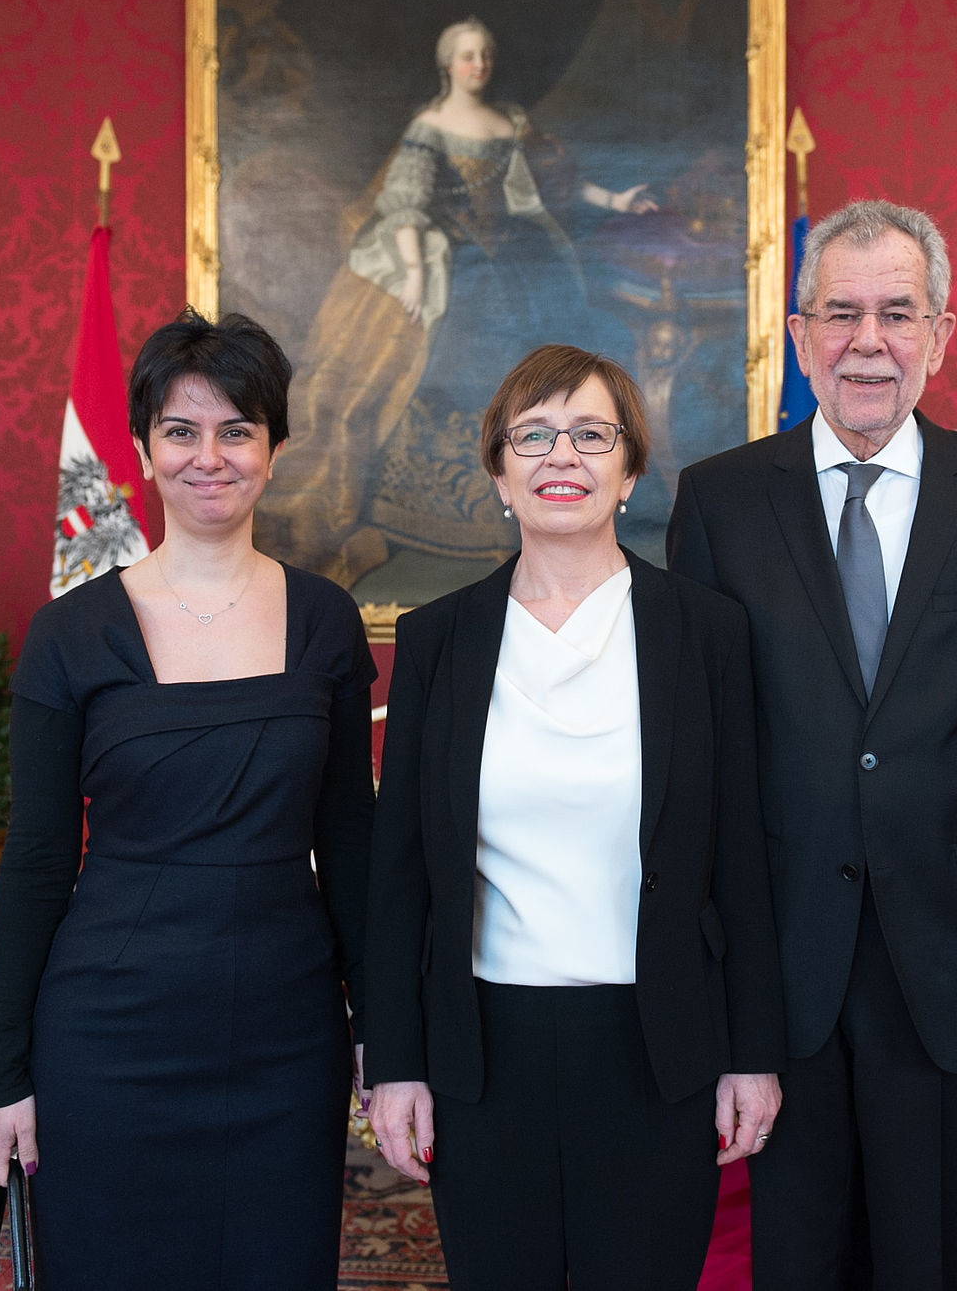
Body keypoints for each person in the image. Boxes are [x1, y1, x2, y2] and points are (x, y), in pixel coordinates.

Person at [668, 199, 957, 1290]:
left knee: (948, 1258)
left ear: (941, 333)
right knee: (799, 1260)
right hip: (781, 968)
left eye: (898, 312)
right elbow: (698, 760)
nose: (868, 341)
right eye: (841, 313)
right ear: (800, 335)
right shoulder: (719, 501)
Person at [363, 344, 785, 1290]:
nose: (563, 455)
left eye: (593, 434)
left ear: (629, 473)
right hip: (483, 1052)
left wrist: (752, 1054)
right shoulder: (438, 639)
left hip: (656, 1045)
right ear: (499, 473)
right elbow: (400, 873)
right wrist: (395, 1064)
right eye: (535, 435)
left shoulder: (707, 631)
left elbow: (743, 860)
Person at [0, 309, 376, 1289]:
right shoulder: (69, 634)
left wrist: (382, 1029)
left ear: (274, 447)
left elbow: (351, 844)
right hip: (110, 1038)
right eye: (181, 431)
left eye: (237, 429)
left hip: (286, 1036)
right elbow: (37, 858)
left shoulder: (325, 620)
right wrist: (5, 1074)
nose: (210, 456)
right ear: (144, 448)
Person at [266, 16, 657, 585]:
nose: (479, 65)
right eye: (468, 55)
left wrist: (616, 200)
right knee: (453, 361)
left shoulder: (509, 122)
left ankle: (535, 494)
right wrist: (415, 274)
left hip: (515, 260)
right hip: (453, 266)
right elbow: (404, 203)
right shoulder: (430, 127)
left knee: (540, 363)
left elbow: (551, 185)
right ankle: (439, 509)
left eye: (485, 55)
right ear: (448, 64)